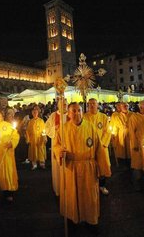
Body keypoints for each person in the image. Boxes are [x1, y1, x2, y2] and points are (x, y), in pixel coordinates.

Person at [53, 102, 105, 234]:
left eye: (79, 110)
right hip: (71, 167)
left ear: (82, 111)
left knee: (89, 197)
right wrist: (60, 152)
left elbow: (99, 149)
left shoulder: (91, 127)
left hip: (89, 167)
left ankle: (90, 221)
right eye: (73, 111)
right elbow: (56, 145)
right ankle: (72, 221)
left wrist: (103, 169)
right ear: (69, 114)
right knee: (72, 196)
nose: (77, 113)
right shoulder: (63, 130)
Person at [0, 108, 20, 202]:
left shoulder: (7, 126)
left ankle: (8, 192)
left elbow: (15, 136)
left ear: (1, 116)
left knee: (7, 173)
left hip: (6, 155)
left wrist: (11, 143)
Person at [83, 98, 111, 195]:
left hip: (102, 147)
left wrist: (102, 144)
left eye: (94, 103)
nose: (92, 105)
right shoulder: (84, 117)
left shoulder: (103, 117)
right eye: (90, 104)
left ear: (97, 104)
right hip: (89, 147)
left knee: (102, 166)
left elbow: (107, 131)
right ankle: (91, 186)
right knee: (91, 168)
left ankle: (102, 186)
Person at [45, 98, 68, 196]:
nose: (64, 106)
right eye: (62, 104)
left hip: (68, 144)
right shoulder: (54, 115)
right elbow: (47, 128)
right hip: (57, 144)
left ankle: (68, 188)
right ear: (58, 105)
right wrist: (54, 128)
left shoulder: (71, 114)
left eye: (66, 104)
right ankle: (58, 189)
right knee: (58, 166)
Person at [25, 105, 47, 170]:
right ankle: (34, 164)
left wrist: (44, 138)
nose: (35, 114)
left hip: (40, 138)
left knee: (41, 151)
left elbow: (44, 130)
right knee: (33, 152)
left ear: (38, 113)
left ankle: (42, 163)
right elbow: (28, 131)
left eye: (36, 112)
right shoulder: (30, 122)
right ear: (32, 113)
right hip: (33, 139)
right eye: (33, 112)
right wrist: (28, 139)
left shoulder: (41, 121)